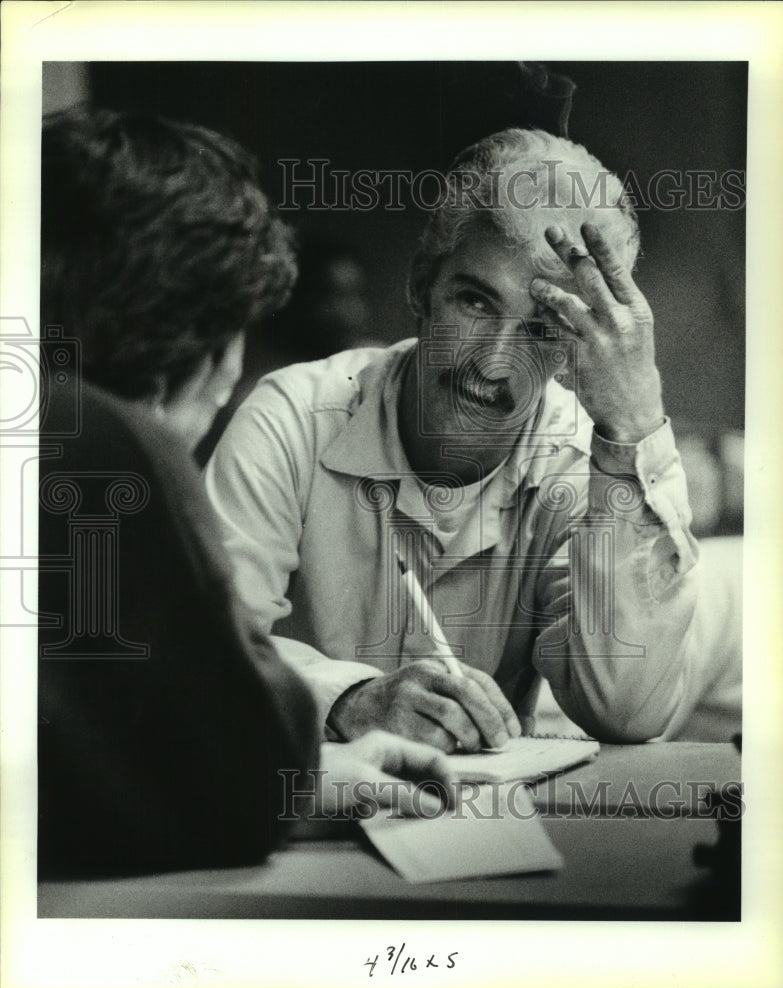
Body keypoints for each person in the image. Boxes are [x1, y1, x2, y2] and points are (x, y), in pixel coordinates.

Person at [38, 108, 451, 877]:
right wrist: (286, 776)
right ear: (203, 351)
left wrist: (306, 781)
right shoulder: (107, 449)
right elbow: (243, 774)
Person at [206, 127, 704, 753]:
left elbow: (627, 710)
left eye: (543, 330)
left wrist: (633, 424)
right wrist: (348, 701)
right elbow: (207, 656)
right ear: (422, 288)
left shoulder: (578, 462)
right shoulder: (292, 417)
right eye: (474, 301)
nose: (493, 364)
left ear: (570, 350)